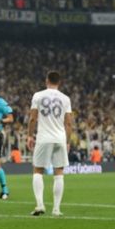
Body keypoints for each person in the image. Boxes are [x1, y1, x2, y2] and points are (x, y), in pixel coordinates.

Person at [25, 71, 72, 216]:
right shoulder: (65, 98)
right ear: (59, 82)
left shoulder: (38, 95)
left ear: (47, 81)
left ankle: (40, 205)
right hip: (60, 138)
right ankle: (56, 209)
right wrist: (68, 141)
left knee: (38, 170)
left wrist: (29, 136)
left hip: (44, 137)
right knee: (59, 172)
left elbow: (33, 118)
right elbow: (69, 123)